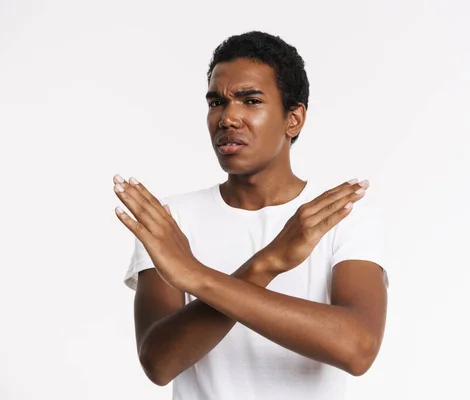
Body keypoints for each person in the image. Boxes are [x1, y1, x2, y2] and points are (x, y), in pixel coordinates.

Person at [113, 31, 389, 400]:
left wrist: (196, 277)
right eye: (216, 102)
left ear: (294, 119)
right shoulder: (172, 219)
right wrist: (266, 265)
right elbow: (160, 364)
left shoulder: (340, 216)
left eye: (251, 100)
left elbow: (358, 348)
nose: (228, 117)